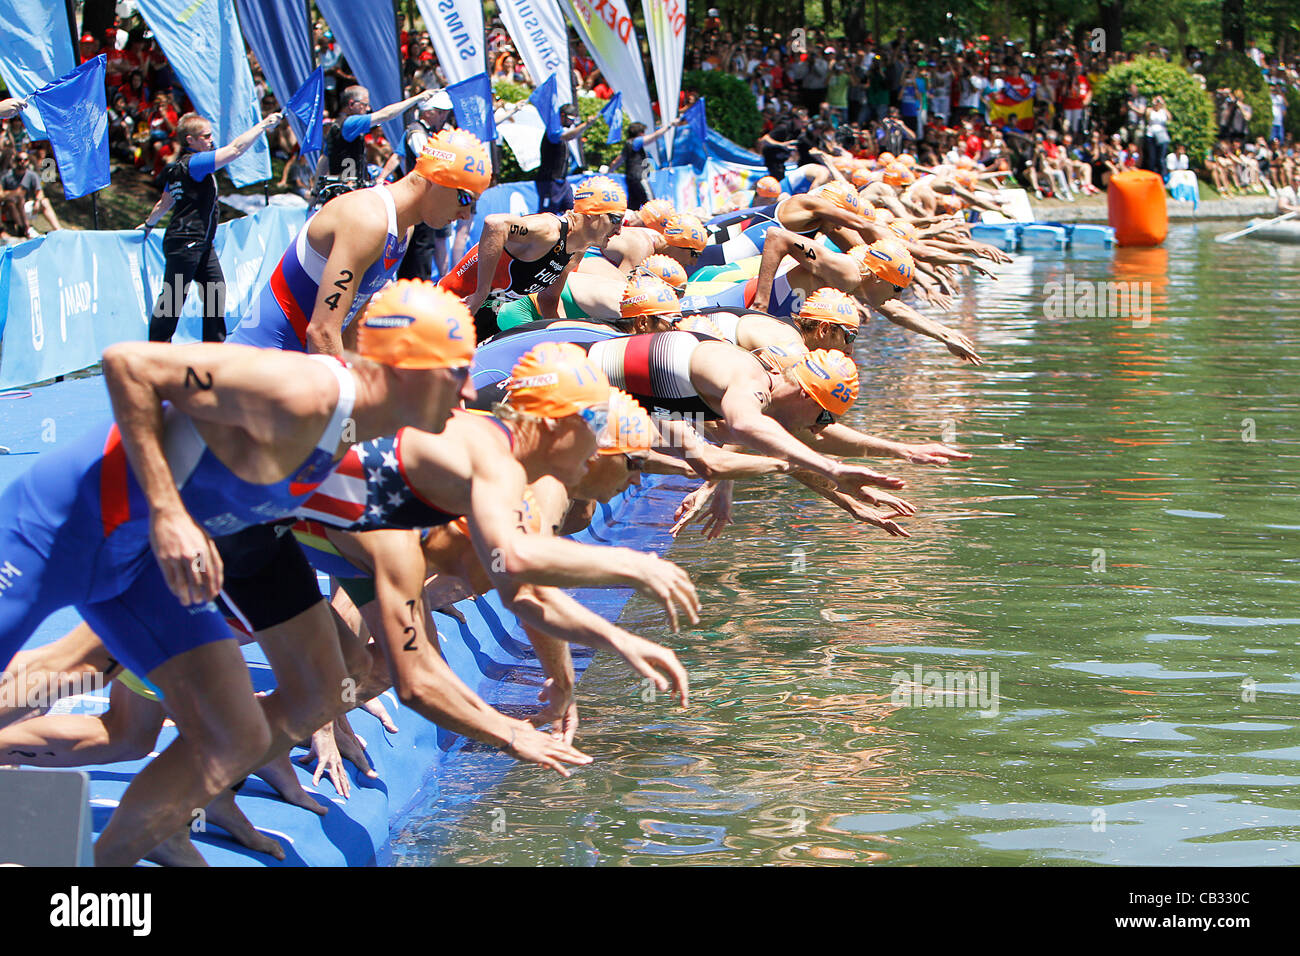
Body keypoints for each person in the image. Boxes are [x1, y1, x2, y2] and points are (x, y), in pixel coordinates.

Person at [0, 280, 484, 866]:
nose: (470, 389)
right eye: (458, 372)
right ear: (409, 370)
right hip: (55, 532)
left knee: (235, 737)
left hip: (138, 566)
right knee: (82, 686)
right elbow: (128, 362)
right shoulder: (305, 391)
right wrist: (169, 514)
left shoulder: (366, 441)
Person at [229, 127, 491, 355]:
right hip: (256, 369)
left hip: (293, 367)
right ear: (436, 178)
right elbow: (322, 332)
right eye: (466, 199)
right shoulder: (367, 220)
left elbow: (351, 326)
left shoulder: (403, 228)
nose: (466, 214)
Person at [140, 111, 283, 343]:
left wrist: (148, 224)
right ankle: (156, 347)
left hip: (203, 243)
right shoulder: (195, 162)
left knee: (216, 290)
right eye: (205, 136)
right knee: (173, 297)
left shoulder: (178, 168)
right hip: (185, 241)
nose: (210, 140)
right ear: (191, 141)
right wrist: (262, 126)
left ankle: (214, 346)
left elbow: (164, 203)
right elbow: (235, 150)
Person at [439, 175, 627, 340]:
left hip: (485, 320)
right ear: (591, 215)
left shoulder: (576, 251)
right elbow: (495, 225)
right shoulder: (549, 230)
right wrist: (481, 293)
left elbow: (548, 300)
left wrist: (565, 340)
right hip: (450, 307)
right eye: (616, 220)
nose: (619, 230)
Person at [318, 85, 433, 185]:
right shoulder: (351, 123)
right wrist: (418, 98)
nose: (368, 109)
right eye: (365, 104)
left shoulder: (337, 124)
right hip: (349, 190)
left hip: (340, 188)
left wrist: (315, 192)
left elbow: (324, 160)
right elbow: (386, 114)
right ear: (351, 104)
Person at [397, 90, 454, 282]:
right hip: (418, 195)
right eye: (440, 111)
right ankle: (417, 283)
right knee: (420, 243)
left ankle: (417, 282)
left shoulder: (432, 132)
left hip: (425, 194)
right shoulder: (416, 130)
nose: (444, 116)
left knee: (424, 242)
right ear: (427, 112)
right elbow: (426, 156)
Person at [608, 116, 682, 209]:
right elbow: (654, 136)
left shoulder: (627, 144)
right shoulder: (637, 141)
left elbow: (617, 161)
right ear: (640, 133)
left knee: (633, 205)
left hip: (630, 178)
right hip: (639, 177)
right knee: (650, 203)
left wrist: (609, 171)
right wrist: (670, 126)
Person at [537, 103, 596, 213]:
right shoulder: (552, 131)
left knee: (573, 211)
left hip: (563, 182)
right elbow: (568, 136)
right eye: (570, 119)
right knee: (548, 215)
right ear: (562, 115)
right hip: (550, 182)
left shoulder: (561, 131)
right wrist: (586, 125)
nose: (572, 122)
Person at [1, 149, 60, 238]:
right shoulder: (7, 176)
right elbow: (1, 195)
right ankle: (24, 229)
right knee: (14, 202)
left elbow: (39, 192)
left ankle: (58, 229)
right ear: (15, 161)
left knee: (45, 201)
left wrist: (37, 200)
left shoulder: (32, 175)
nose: (22, 162)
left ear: (29, 161)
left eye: (25, 160)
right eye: (19, 160)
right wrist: (16, 193)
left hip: (26, 206)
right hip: (10, 209)